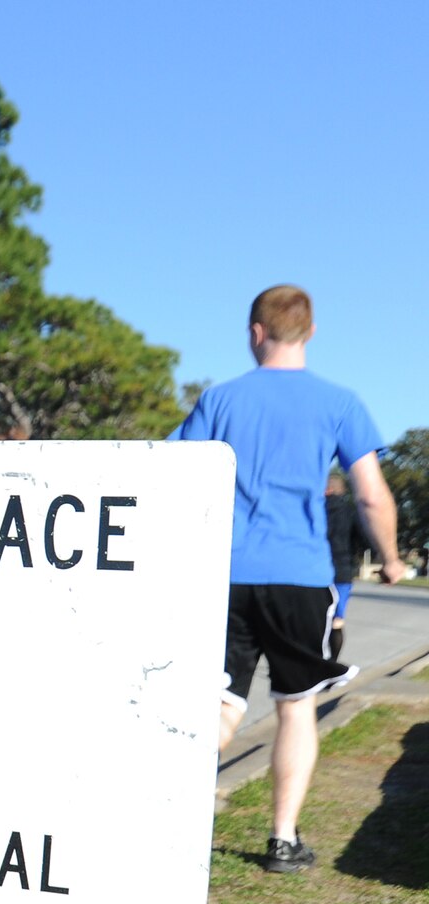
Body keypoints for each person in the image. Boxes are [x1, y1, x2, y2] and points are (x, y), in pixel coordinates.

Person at [171, 285, 404, 874]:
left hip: (224, 576)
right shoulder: (341, 402)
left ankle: (169, 819)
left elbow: (170, 473)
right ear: (311, 331)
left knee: (221, 704)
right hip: (301, 578)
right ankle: (282, 840)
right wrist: (393, 558)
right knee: (296, 706)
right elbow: (371, 495)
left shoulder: (220, 399)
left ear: (255, 332)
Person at [323, 473, 370, 661]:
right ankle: (332, 664)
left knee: (314, 618)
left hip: (315, 570)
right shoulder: (351, 511)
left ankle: (312, 664)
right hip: (342, 571)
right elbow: (365, 541)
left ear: (326, 489)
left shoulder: (314, 508)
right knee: (336, 621)